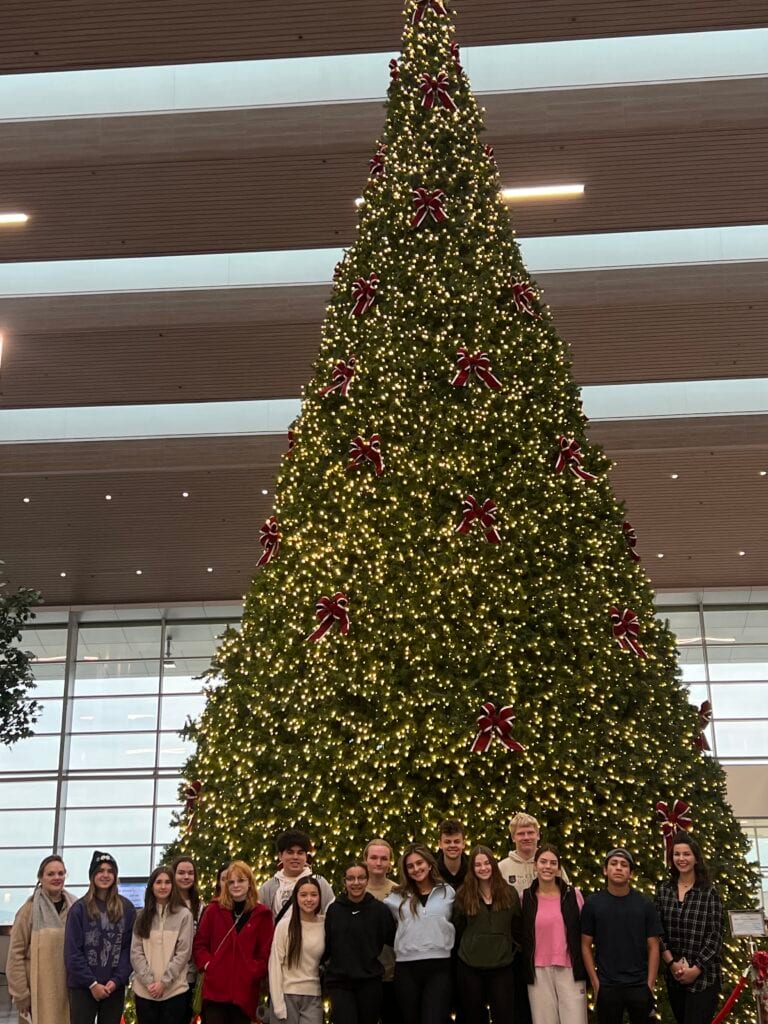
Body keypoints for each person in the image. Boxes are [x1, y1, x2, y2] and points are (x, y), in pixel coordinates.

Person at [499, 813, 569, 1024]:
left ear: (538, 835)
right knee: (521, 1006)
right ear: (513, 837)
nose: (526, 837)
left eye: (531, 832)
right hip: (516, 949)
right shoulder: (502, 868)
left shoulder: (551, 864)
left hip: (549, 948)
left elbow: (567, 902)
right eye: (521, 833)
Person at [581, 848, 662, 1024]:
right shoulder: (593, 904)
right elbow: (585, 944)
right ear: (605, 870)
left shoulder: (645, 905)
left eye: (624, 865)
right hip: (607, 985)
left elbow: (654, 945)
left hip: (639, 985)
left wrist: (649, 984)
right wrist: (595, 982)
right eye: (614, 863)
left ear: (630, 873)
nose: (619, 868)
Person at [193, 859, 274, 1024]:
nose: (236, 885)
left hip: (244, 991)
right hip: (215, 990)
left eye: (241, 880)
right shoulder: (213, 910)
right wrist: (209, 965)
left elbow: (265, 953)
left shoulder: (262, 914)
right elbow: (200, 944)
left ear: (249, 883)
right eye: (231, 882)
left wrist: (252, 971)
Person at [655, 833, 723, 1024]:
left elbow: (715, 936)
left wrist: (696, 968)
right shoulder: (664, 890)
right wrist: (671, 963)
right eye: (677, 854)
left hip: (704, 978)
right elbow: (658, 931)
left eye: (686, 854)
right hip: (675, 976)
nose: (681, 858)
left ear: (696, 858)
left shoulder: (709, 892)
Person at [384, 843, 455, 1024]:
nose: (416, 869)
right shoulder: (396, 897)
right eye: (410, 866)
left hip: (439, 966)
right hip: (406, 968)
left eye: (419, 863)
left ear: (429, 864)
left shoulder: (447, 892)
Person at [64, 850, 136, 1024]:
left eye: (110, 871)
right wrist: (92, 984)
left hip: (114, 988)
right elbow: (72, 952)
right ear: (92, 876)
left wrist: (116, 981)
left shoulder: (127, 909)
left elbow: (128, 949)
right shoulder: (79, 909)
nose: (105, 875)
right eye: (100, 871)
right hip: (83, 987)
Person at [453, 845, 522, 1024]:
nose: (483, 868)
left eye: (487, 863)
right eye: (478, 865)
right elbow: (458, 928)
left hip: (502, 966)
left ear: (493, 864)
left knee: (504, 1016)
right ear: (472, 868)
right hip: (470, 966)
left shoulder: (509, 893)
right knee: (473, 1016)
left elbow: (517, 926)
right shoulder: (463, 895)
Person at [7, 854, 77, 1024]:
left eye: (61, 873)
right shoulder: (28, 910)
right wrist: (21, 994)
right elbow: (15, 954)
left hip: (67, 992)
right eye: (50, 874)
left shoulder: (75, 908)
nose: (56, 878)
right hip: (37, 993)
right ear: (41, 877)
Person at [521, 845, 587, 1024]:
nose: (547, 867)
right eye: (543, 862)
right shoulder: (525, 898)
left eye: (553, 863)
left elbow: (584, 933)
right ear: (535, 865)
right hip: (538, 971)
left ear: (558, 868)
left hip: (570, 969)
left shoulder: (573, 896)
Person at [324, 863, 396, 1024]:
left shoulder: (380, 910)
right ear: (344, 881)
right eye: (351, 878)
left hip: (370, 982)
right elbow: (327, 944)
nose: (356, 883)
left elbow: (394, 940)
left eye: (361, 878)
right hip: (340, 982)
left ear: (367, 880)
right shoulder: (334, 910)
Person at [131, 866, 194, 1024]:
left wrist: (164, 983)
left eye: (167, 882)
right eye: (158, 882)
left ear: (173, 886)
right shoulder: (141, 916)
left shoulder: (184, 915)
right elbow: (136, 952)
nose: (163, 886)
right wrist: (149, 982)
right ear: (152, 886)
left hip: (175, 992)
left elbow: (183, 953)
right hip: (145, 992)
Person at [268, 876, 325, 1024]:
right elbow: (275, 965)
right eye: (303, 895)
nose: (309, 899)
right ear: (296, 897)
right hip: (286, 995)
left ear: (320, 897)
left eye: (313, 895)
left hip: (313, 997)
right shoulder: (284, 926)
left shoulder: (325, 925)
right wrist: (278, 1004)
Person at [259, 830, 334, 921]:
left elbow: (332, 916)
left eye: (300, 853)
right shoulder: (268, 887)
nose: (295, 857)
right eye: (290, 852)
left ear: (306, 856)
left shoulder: (319, 883)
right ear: (280, 856)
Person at [364, 839, 397, 1024]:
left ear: (390, 862)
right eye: (374, 857)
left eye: (384, 858)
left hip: (392, 975)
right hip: (363, 976)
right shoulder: (355, 890)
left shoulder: (398, 892)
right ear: (366, 860)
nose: (378, 863)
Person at [172, 856, 206, 1024]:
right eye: (181, 873)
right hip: (166, 975)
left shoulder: (200, 906)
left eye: (190, 873)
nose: (186, 877)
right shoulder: (165, 903)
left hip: (189, 976)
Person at [436, 819, 468, 889]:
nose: (452, 845)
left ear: (463, 844)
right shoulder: (433, 873)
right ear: (440, 844)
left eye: (457, 841)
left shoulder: (472, 872)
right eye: (447, 842)